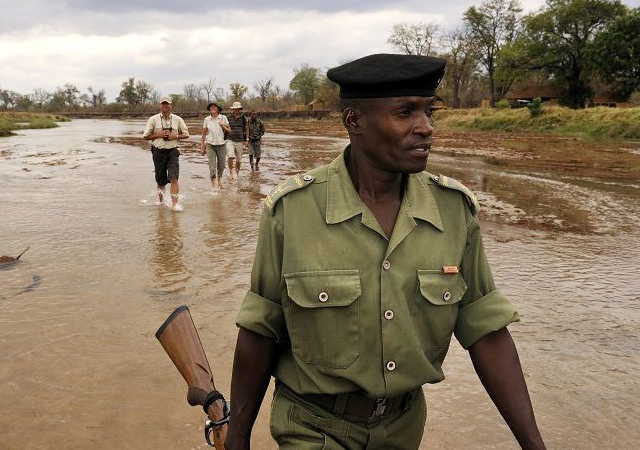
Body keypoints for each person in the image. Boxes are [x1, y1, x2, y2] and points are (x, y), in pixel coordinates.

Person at [226, 54, 545, 450]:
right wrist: (237, 436)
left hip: (403, 427)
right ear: (354, 122)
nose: (426, 128)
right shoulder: (291, 211)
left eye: (429, 112)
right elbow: (261, 330)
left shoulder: (454, 210)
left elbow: (486, 332)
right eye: (405, 112)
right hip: (312, 426)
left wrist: (534, 444)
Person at [142, 95, 189, 211]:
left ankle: (174, 205)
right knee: (160, 180)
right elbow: (145, 136)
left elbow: (186, 134)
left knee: (174, 178)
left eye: (167, 104)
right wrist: (159, 134)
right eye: (163, 104)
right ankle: (161, 202)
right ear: (160, 106)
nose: (165, 106)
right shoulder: (153, 119)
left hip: (173, 151)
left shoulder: (178, 119)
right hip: (158, 152)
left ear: (170, 106)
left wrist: (175, 136)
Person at [200, 101, 230, 189]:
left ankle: (220, 181)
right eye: (211, 107)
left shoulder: (223, 118)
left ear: (218, 109)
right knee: (212, 167)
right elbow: (203, 134)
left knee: (221, 166)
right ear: (209, 109)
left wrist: (222, 126)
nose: (212, 108)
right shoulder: (207, 119)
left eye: (214, 107)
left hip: (222, 145)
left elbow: (229, 130)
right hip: (210, 145)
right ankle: (214, 186)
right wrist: (202, 147)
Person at [226, 101, 248, 179]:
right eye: (235, 109)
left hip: (240, 140)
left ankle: (237, 174)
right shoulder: (228, 118)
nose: (236, 110)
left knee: (239, 159)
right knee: (230, 156)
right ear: (233, 109)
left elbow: (246, 129)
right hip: (230, 139)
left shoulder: (243, 118)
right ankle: (231, 172)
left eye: (238, 109)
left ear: (240, 109)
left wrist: (246, 140)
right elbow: (225, 128)